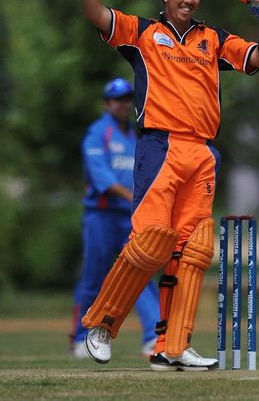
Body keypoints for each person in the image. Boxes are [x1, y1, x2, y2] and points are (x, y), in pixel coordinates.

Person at [64, 0, 259, 371]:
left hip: (202, 153)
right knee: (151, 242)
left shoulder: (212, 39)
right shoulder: (142, 35)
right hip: (159, 148)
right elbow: (96, 12)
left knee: (194, 251)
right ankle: (101, 323)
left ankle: (172, 347)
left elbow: (255, 60)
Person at [70, 78, 159, 359]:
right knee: (94, 277)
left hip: (130, 219)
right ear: (106, 104)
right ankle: (81, 338)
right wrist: (136, 197)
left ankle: (153, 338)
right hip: (101, 216)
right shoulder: (97, 134)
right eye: (117, 100)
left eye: (127, 99)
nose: (124, 104)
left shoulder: (135, 136)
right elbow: (103, 180)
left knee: (140, 274)